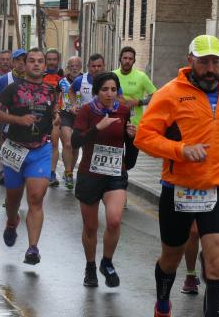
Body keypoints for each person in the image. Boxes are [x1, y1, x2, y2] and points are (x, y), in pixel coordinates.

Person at [134, 35, 219, 317]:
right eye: (204, 62)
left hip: (216, 189)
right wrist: (181, 150)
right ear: (190, 61)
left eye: (215, 61)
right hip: (179, 189)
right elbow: (143, 137)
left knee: (217, 264)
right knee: (171, 259)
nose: (210, 68)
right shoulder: (170, 93)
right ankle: (163, 302)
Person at [0, 48, 58, 264]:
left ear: (45, 65)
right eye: (32, 61)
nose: (36, 64)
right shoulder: (12, 89)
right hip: (15, 148)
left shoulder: (51, 90)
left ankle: (33, 248)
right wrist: (18, 120)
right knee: (13, 197)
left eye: (40, 61)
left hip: (40, 150)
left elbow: (55, 113)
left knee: (36, 198)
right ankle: (11, 221)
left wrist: (57, 120)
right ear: (25, 65)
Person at [71, 72, 138, 288]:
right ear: (97, 92)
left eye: (113, 90)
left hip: (114, 174)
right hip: (89, 175)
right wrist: (96, 128)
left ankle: (106, 262)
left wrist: (131, 138)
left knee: (114, 220)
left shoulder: (123, 111)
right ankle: (90, 267)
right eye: (104, 90)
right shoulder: (87, 111)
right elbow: (75, 142)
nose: (109, 94)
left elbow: (131, 156)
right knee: (90, 227)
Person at [0, 48, 27, 186]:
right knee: (7, 145)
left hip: (28, 122)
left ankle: (22, 171)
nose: (21, 63)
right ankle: (3, 171)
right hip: (9, 120)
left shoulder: (32, 78)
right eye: (17, 60)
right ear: (13, 62)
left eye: (24, 60)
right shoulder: (6, 79)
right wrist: (1, 108)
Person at [114, 47, 156, 127]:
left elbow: (155, 96)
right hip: (115, 122)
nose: (127, 61)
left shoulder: (141, 76)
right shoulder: (112, 75)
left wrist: (139, 102)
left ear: (134, 61)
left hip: (134, 125)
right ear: (120, 59)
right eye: (125, 58)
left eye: (130, 59)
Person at [57, 56, 83, 189]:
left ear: (81, 67)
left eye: (77, 65)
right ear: (68, 67)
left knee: (76, 146)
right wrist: (56, 111)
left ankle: (71, 170)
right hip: (66, 114)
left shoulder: (85, 80)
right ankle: (68, 174)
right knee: (67, 143)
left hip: (81, 116)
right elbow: (56, 97)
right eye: (71, 65)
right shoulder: (61, 82)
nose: (74, 68)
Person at [42, 48, 64, 187]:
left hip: (55, 114)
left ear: (58, 61)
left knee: (54, 143)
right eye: (49, 59)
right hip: (40, 114)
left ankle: (52, 173)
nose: (51, 62)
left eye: (54, 59)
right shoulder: (39, 75)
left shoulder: (63, 78)